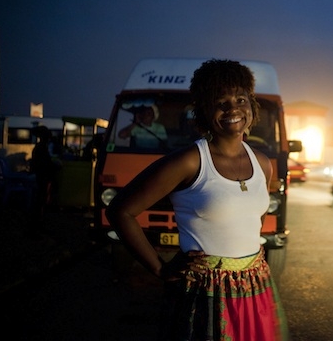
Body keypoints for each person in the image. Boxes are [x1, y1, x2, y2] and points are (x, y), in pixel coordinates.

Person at [106, 59, 288, 341]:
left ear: (251, 105)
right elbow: (121, 210)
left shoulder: (263, 163)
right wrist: (159, 268)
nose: (233, 109)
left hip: (254, 286)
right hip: (205, 293)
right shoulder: (189, 161)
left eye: (241, 99)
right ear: (203, 110)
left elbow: (254, 220)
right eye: (221, 102)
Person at [30, 126, 60, 221]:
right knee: (42, 196)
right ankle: (39, 217)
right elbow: (45, 163)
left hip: (42, 174)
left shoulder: (40, 147)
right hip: (43, 175)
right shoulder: (41, 148)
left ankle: (39, 217)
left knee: (42, 196)